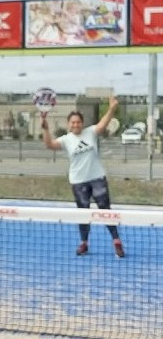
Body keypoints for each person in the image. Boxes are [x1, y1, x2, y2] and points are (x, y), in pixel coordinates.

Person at [41, 95, 125, 258]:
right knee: (83, 213)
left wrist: (112, 108)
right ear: (69, 124)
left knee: (105, 211)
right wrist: (45, 128)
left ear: (82, 123)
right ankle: (84, 243)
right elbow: (49, 144)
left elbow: (104, 123)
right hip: (78, 182)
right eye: (73, 122)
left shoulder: (91, 132)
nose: (76, 124)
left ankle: (116, 241)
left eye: (78, 122)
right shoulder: (66, 140)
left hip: (98, 178)